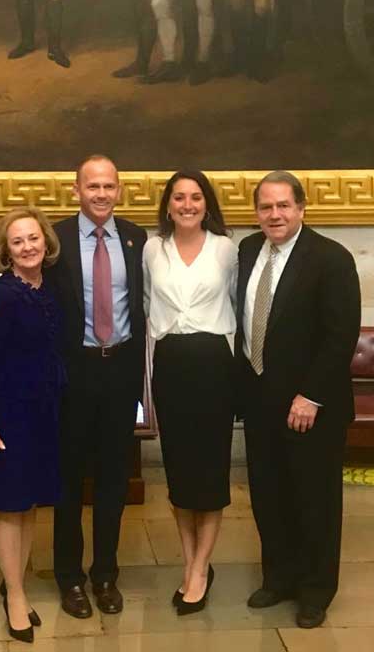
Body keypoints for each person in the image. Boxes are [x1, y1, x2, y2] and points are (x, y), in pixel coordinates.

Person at [236, 171, 361, 630]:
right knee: (268, 495)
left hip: (310, 405)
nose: (275, 215)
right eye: (266, 207)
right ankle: (279, 578)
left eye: (283, 205)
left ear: (301, 208)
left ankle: (314, 591)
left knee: (314, 500)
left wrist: (311, 396)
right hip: (259, 400)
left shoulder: (331, 258)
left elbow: (340, 336)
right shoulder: (248, 250)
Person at [47, 156, 148, 618]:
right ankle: (69, 576)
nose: (101, 194)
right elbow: (24, 281)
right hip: (73, 372)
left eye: (109, 186)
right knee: (68, 479)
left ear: (119, 190)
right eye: (93, 186)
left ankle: (105, 573)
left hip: (120, 370)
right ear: (76, 190)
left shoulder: (136, 238)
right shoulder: (55, 239)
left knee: (113, 478)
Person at [0, 207, 65, 644]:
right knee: (9, 507)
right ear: (6, 251)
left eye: (33, 238)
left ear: (46, 241)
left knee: (30, 505)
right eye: (17, 241)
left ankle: (17, 584)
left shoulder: (49, 288)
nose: (27, 247)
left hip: (44, 413)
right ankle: (16, 595)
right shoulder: (1, 296)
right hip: (8, 415)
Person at [144, 170, 238, 614]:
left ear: (207, 204)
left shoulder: (226, 249)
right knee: (179, 470)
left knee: (211, 469)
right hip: (171, 364)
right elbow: (147, 303)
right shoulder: (152, 249)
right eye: (179, 197)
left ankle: (202, 567)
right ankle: (190, 562)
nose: (187, 205)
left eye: (195, 197)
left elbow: (238, 302)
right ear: (168, 205)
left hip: (214, 365)